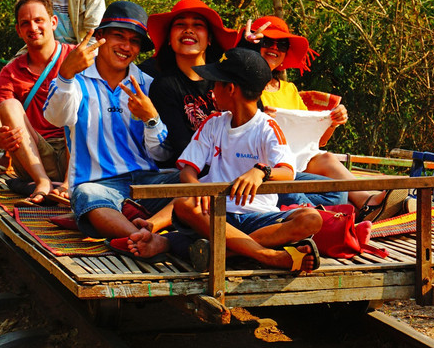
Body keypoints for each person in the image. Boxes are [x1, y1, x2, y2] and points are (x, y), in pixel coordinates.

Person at [129, 48, 322, 272]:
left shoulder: (268, 128)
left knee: (311, 219)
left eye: (216, 83)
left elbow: (288, 171)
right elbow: (187, 171)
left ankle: (219, 251)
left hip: (258, 217)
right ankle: (267, 255)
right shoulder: (213, 123)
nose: (211, 90)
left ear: (230, 89)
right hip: (216, 215)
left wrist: (261, 172)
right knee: (184, 204)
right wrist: (197, 190)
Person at [241, 16, 406, 222]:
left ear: (285, 54)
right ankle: (331, 215)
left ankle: (365, 202)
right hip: (262, 161)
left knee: (327, 160)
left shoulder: (290, 90)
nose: (274, 47)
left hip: (294, 159)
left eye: (281, 44)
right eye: (267, 41)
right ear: (254, 45)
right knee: (303, 189)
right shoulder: (242, 86)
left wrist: (332, 121)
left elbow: (314, 142)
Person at [44, 1, 178, 244]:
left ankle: (135, 224)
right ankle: (142, 237)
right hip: (99, 185)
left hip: (146, 183)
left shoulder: (148, 84)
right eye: (119, 36)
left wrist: (151, 120)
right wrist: (65, 74)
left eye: (134, 41)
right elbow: (54, 117)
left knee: (194, 184)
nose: (126, 46)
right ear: (100, 37)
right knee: (86, 194)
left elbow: (160, 154)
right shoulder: (76, 80)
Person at [0, 0, 106, 178]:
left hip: (80, 45)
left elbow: (94, 30)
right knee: (14, 72)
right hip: (42, 43)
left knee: (94, 81)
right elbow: (30, 24)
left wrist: (71, 58)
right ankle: (9, 147)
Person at [0, 0, 74, 203]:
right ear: (19, 31)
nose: (33, 27)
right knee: (9, 105)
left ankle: (69, 183)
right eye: (25, 23)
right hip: (34, 157)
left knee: (83, 96)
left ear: (53, 22)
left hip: (75, 153)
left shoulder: (75, 56)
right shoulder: (11, 71)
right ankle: (42, 182)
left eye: (38, 20)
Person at [144, 0, 239, 168]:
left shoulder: (230, 78)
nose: (189, 30)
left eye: (198, 25)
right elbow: (182, 147)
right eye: (180, 25)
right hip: (193, 174)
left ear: (209, 38)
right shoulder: (163, 86)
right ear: (168, 39)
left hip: (245, 167)